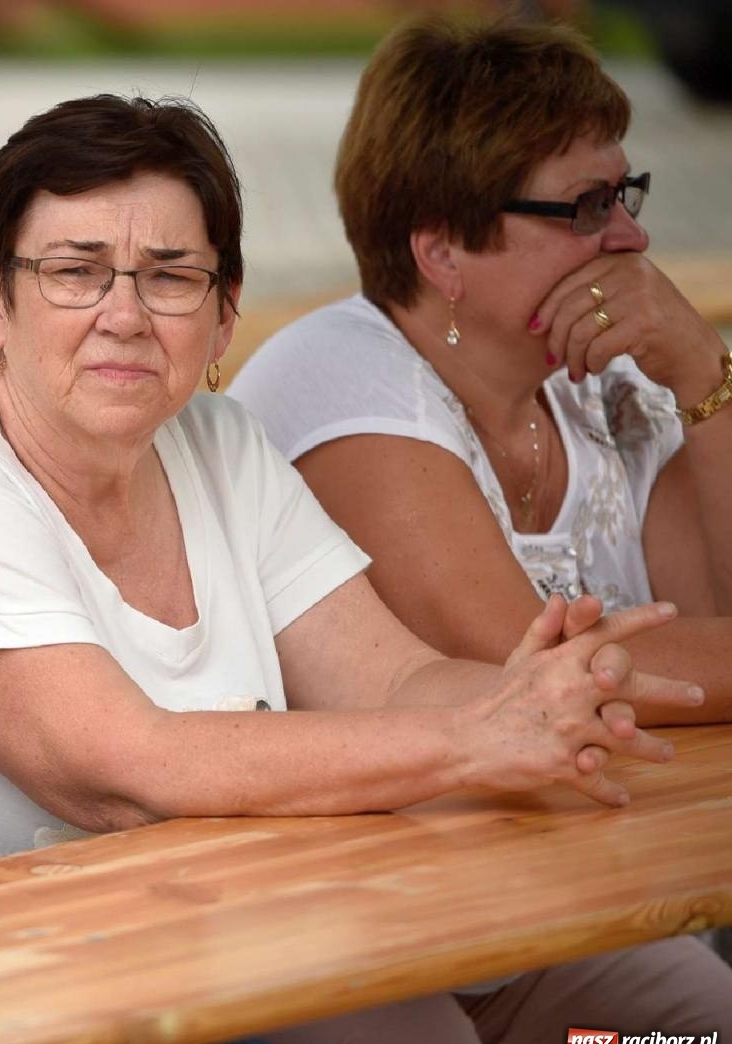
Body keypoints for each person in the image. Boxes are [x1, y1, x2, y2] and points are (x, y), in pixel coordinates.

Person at [0, 94, 731, 1044]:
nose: (124, 315)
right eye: (74, 272)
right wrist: (473, 740)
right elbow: (121, 776)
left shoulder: (218, 441)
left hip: (243, 911)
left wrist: (548, 697)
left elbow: (389, 679)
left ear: (225, 314)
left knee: (686, 1031)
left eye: (171, 276)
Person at [226, 17, 732, 722]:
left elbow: (714, 609)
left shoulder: (613, 386)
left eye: (624, 193)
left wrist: (704, 370)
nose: (633, 237)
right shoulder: (342, 380)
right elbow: (533, 676)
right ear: (442, 254)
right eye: (588, 206)